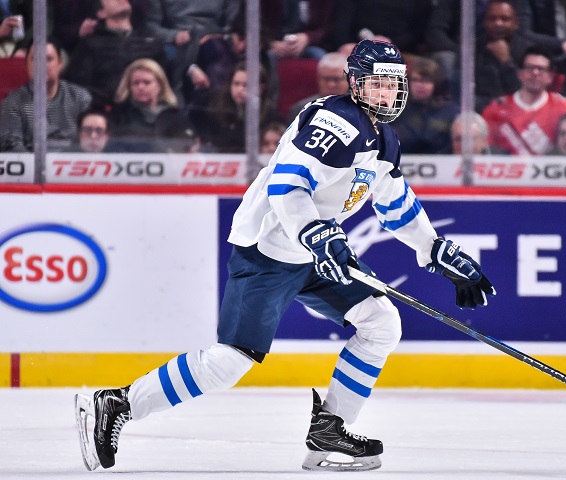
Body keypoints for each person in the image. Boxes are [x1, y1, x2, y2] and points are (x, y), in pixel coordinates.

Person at [74, 38, 496, 473]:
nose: (388, 94)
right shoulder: (334, 121)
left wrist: (434, 248)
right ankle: (116, 403)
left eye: (394, 85)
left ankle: (329, 430)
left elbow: (393, 201)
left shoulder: (384, 139)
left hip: (315, 252)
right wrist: (315, 233)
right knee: (230, 362)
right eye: (378, 84)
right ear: (356, 84)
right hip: (269, 249)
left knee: (381, 322)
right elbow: (287, 185)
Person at [64, 0, 167, 109]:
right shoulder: (89, 45)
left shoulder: (151, 42)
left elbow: (165, 80)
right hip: (106, 111)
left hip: (148, 108)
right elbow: (80, 87)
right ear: (101, 13)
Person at [0, 39, 91, 152]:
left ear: (60, 64)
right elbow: (9, 145)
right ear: (27, 65)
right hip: (32, 165)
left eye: (48, 59)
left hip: (70, 163)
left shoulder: (80, 97)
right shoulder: (13, 102)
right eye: (35, 59)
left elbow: (91, 139)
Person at [481, 46, 566, 155]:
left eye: (541, 69)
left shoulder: (563, 107)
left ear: (550, 76)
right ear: (520, 73)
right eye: (530, 68)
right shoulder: (496, 109)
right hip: (510, 170)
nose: (535, 73)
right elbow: (484, 150)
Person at [391, 56, 459, 154]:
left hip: (442, 163)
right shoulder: (395, 110)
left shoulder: (451, 112)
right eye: (415, 80)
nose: (420, 85)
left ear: (437, 84)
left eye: (426, 81)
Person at [110, 58, 179, 152]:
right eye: (135, 83)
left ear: (160, 86)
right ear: (129, 87)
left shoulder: (173, 116)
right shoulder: (118, 116)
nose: (141, 87)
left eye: (147, 82)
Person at [285, 51, 348, 123]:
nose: (331, 84)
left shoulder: (359, 109)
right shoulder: (303, 109)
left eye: (336, 79)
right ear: (318, 79)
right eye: (326, 79)